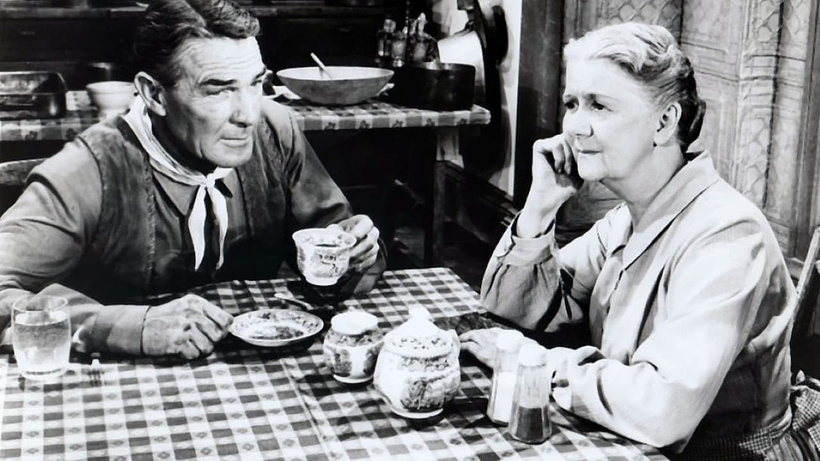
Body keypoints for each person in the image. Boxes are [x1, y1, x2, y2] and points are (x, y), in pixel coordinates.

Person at [460, 22, 820, 459]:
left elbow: (662, 409)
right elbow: (513, 309)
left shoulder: (728, 236)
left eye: (599, 106)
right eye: (572, 104)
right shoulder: (626, 219)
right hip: (637, 444)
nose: (575, 127)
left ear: (665, 122)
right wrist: (539, 207)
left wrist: (533, 362)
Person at [0, 0, 385, 360]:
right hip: (120, 384)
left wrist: (353, 256)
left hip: (252, 375)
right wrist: (130, 327)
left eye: (255, 84)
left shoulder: (275, 130)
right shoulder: (89, 168)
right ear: (154, 94)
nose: (248, 115)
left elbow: (339, 244)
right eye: (219, 90)